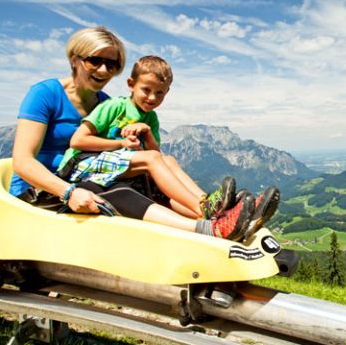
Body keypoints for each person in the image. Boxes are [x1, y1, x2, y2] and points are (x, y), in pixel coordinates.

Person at [9, 26, 269, 244]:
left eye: (111, 64)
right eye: (94, 60)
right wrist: (68, 192)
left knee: (156, 175)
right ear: (75, 59)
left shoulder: (107, 103)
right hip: (45, 189)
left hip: (92, 177)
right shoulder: (46, 94)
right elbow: (22, 161)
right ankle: (210, 224)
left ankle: (218, 216)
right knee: (120, 192)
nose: (103, 70)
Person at [58, 55, 279, 241]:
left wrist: (145, 131)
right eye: (146, 90)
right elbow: (77, 141)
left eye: (160, 93)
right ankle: (207, 210)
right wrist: (121, 143)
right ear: (130, 84)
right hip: (81, 165)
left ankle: (213, 208)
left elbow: (157, 153)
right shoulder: (115, 106)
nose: (152, 98)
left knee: (169, 161)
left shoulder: (151, 117)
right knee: (154, 160)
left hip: (114, 168)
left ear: (167, 92)